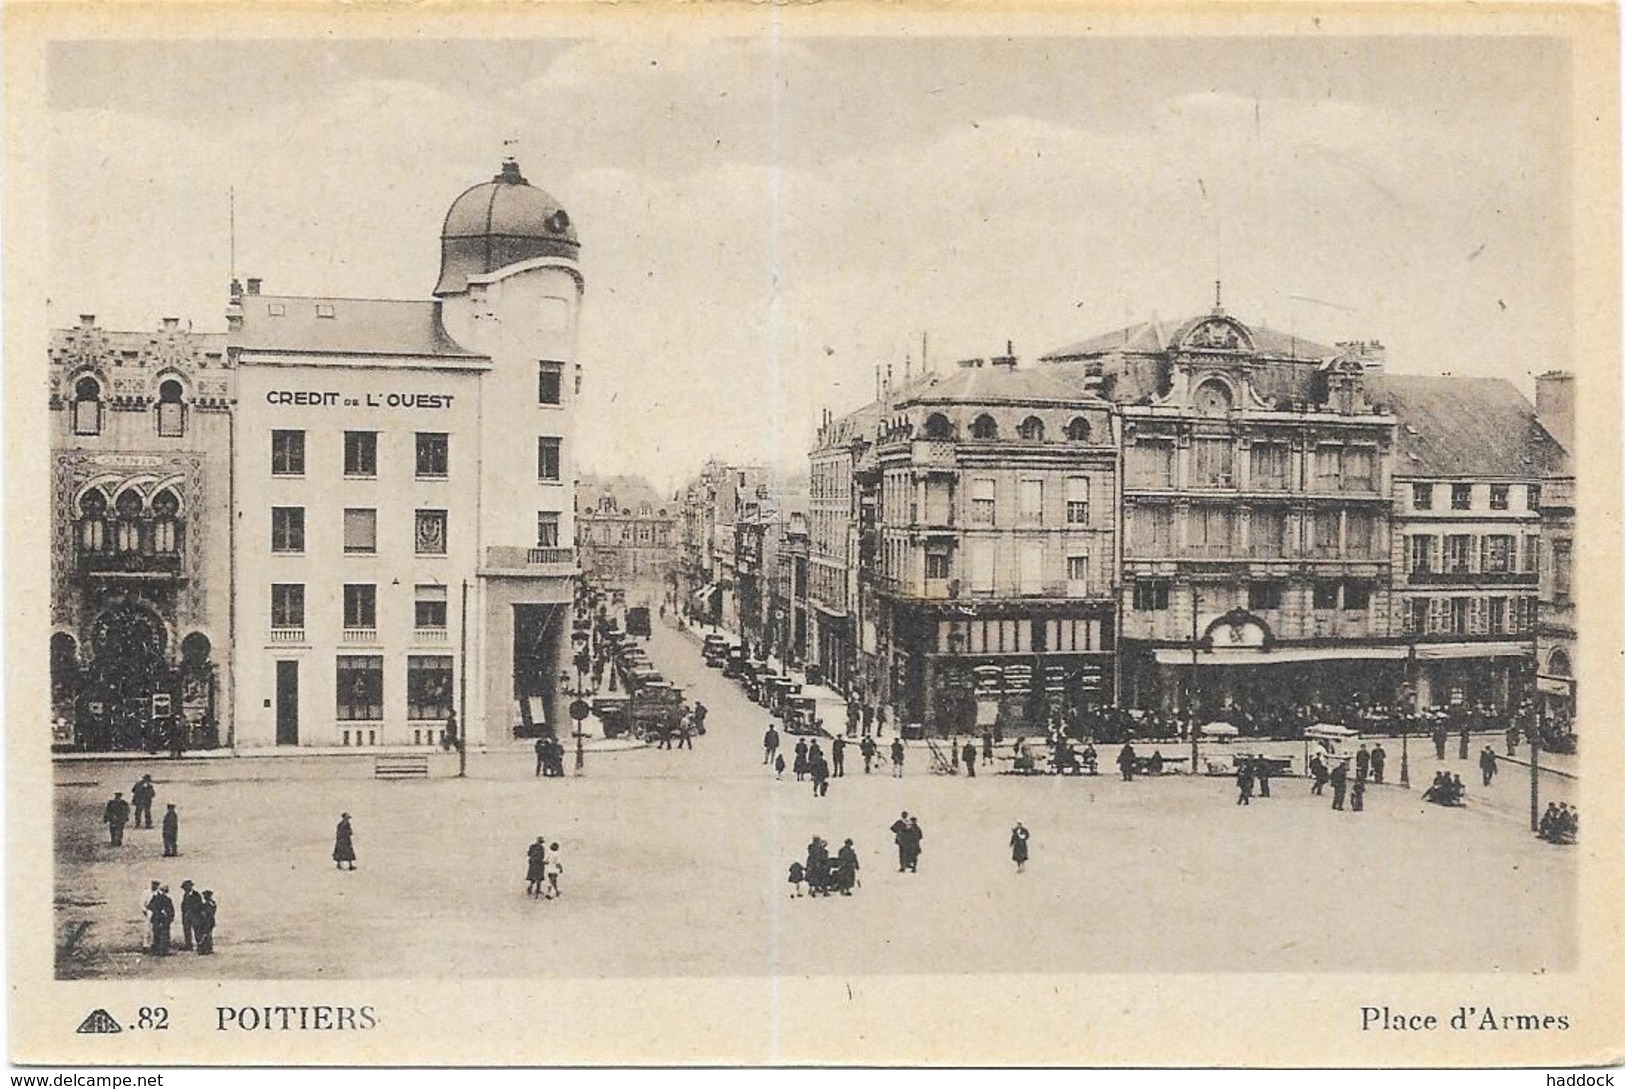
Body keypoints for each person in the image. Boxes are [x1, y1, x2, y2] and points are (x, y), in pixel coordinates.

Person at [148, 884, 174, 955]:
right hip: (157, 919)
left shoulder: (168, 899)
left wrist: (170, 917)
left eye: (165, 891)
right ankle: (156, 950)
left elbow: (171, 910)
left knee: (165, 935)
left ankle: (164, 950)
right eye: (162, 891)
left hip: (165, 920)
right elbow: (150, 906)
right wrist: (159, 911)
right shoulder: (155, 898)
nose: (163, 892)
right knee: (156, 934)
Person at [179, 881, 202, 951]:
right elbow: (183, 906)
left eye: (186, 887)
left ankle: (200, 946)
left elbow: (199, 906)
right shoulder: (185, 895)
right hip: (186, 917)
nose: (185, 889)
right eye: (184, 887)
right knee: (187, 931)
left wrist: (192, 912)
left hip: (195, 917)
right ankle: (188, 946)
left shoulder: (196, 895)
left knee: (197, 931)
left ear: (190, 886)